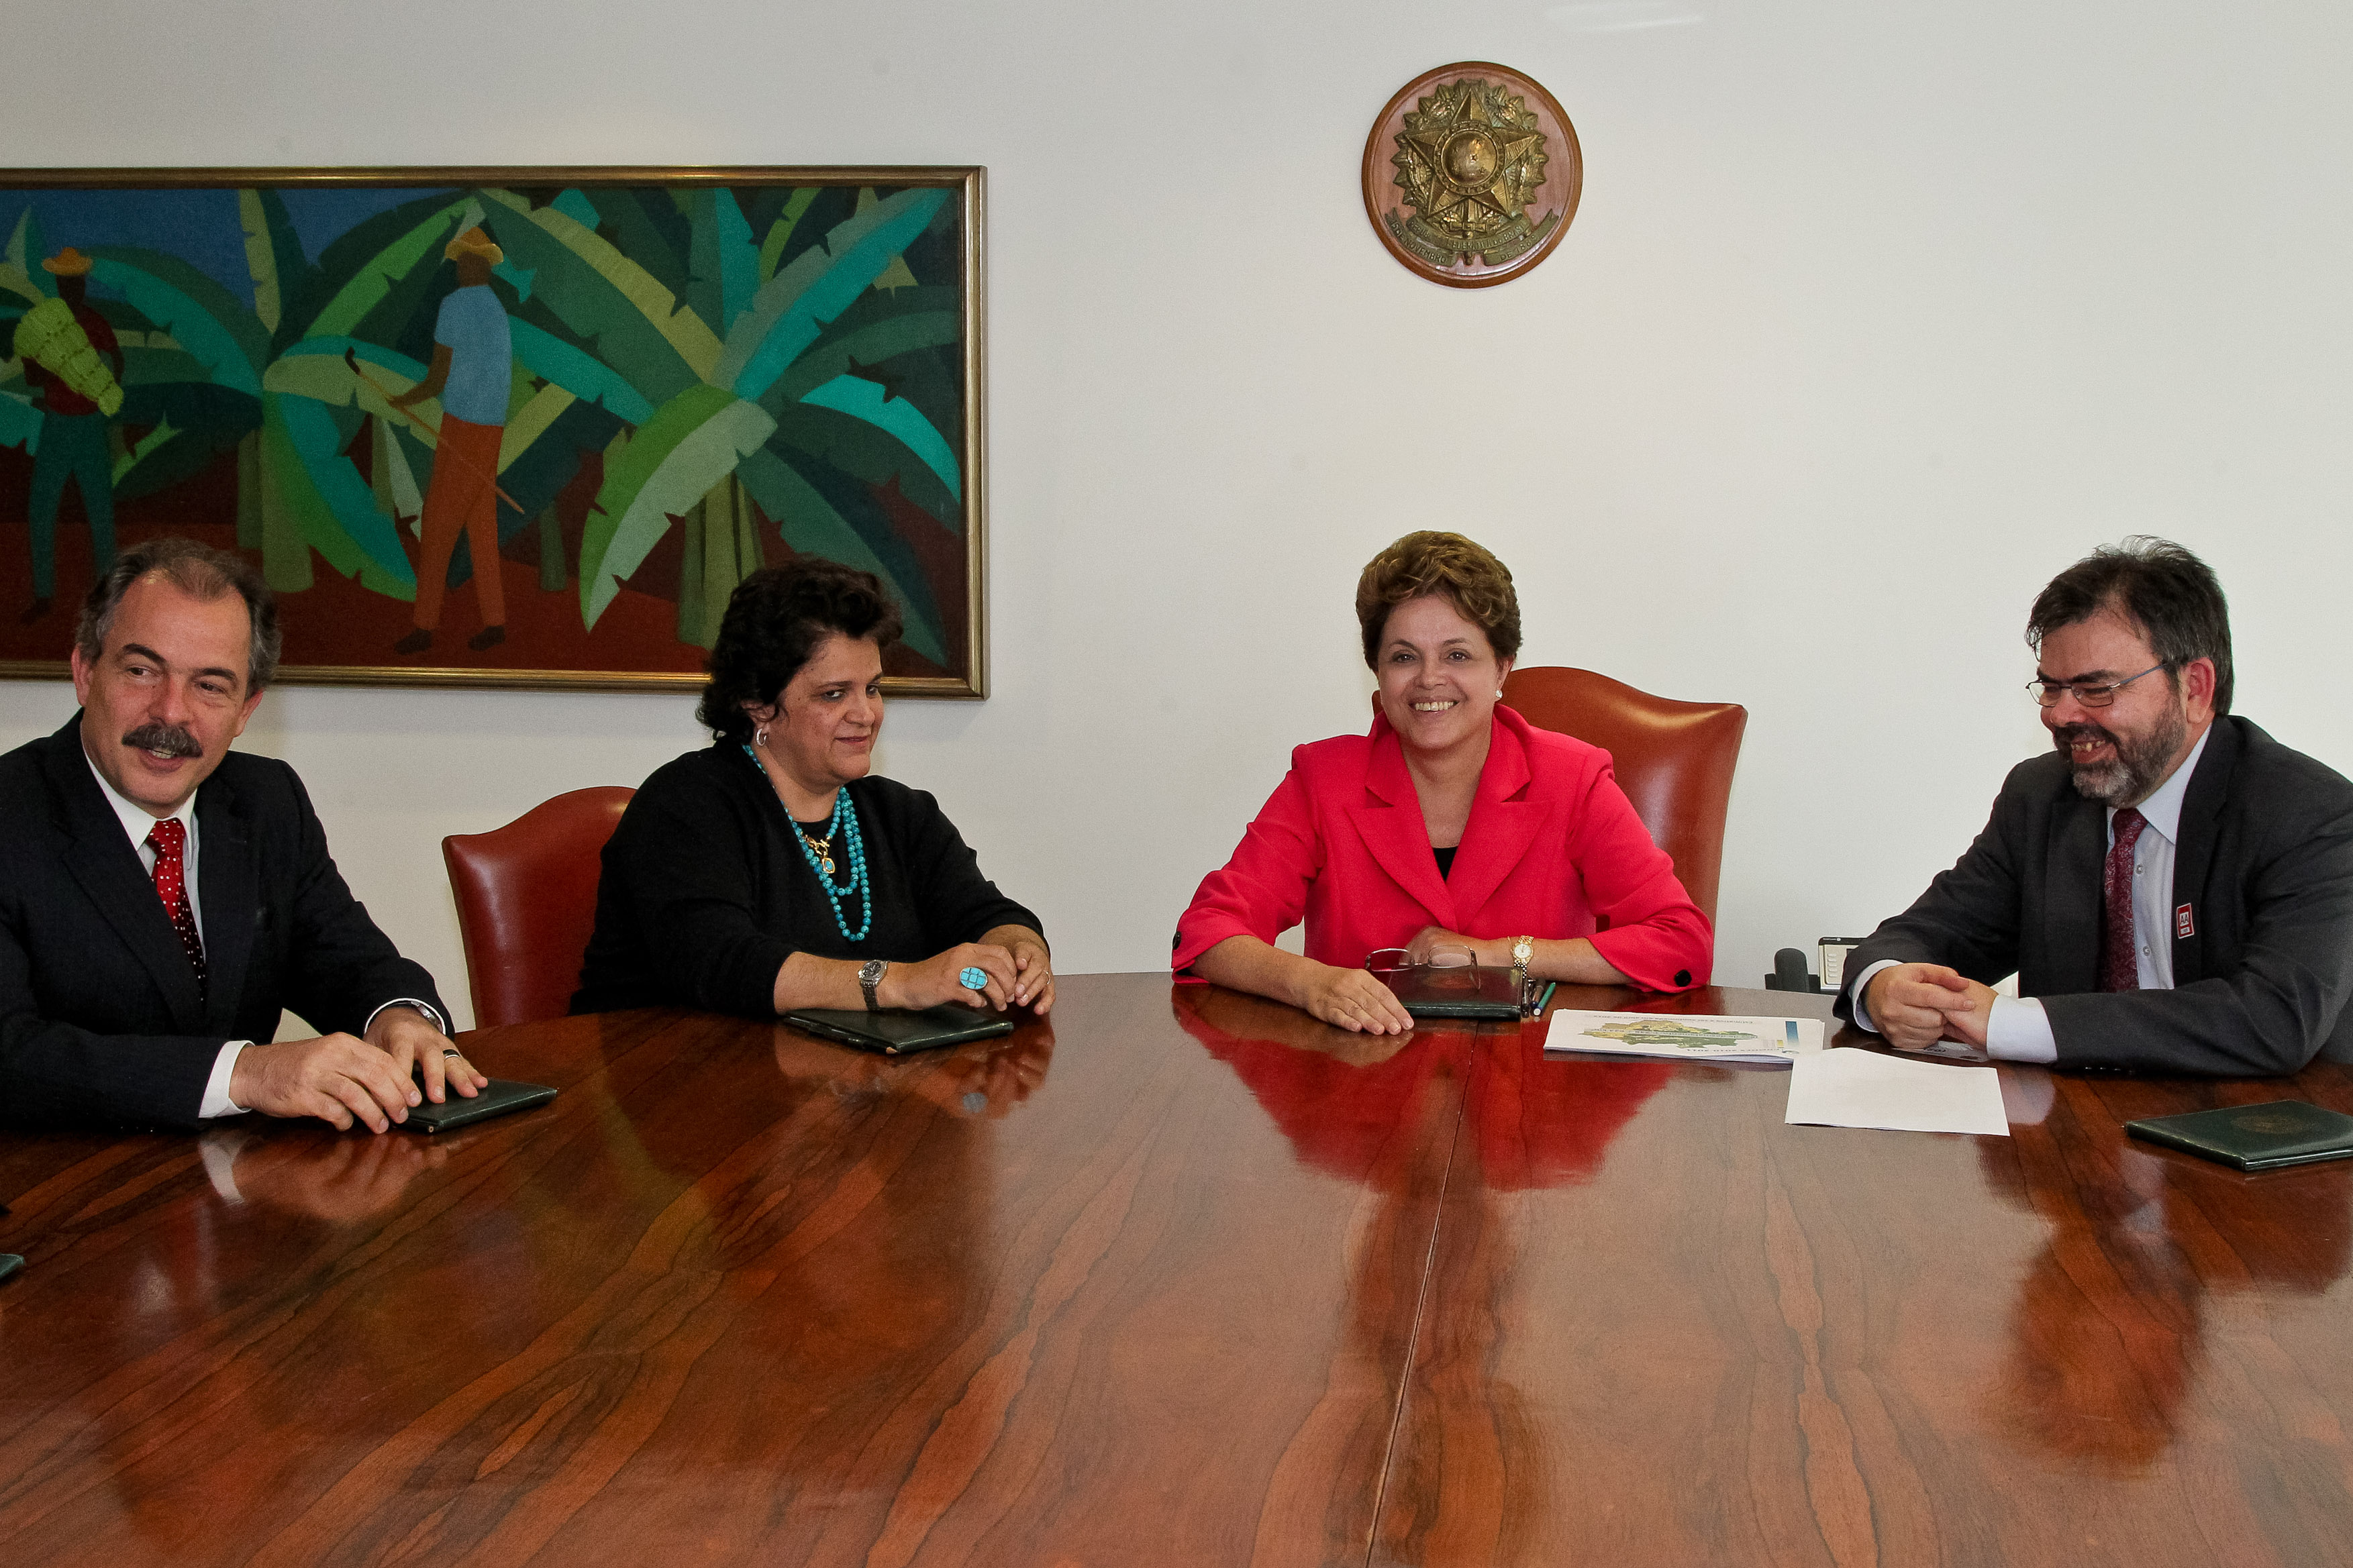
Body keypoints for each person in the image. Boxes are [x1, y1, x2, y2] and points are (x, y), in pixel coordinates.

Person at [0, 539, 483, 1131]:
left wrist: (399, 1016)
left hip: (237, 1190)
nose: (171, 712)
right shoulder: (13, 812)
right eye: (142, 670)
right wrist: (248, 1072)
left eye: (210, 685)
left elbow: (346, 958)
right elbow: (12, 1055)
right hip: (52, 1195)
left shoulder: (265, 801)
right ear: (84, 671)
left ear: (246, 709)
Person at [1837, 537, 2353, 1075]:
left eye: (2096, 689)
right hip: (2079, 1137)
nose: (2060, 715)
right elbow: (1931, 932)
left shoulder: (2310, 812)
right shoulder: (2040, 797)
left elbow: (2275, 1018)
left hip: (2260, 1135)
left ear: (2195, 689)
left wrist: (2014, 1024)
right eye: (2051, 687)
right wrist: (1884, 983)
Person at [1174, 530, 1712, 1033]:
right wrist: (1310, 982)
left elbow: (1680, 942)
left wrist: (1501, 952)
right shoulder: (1324, 780)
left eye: (1457, 654)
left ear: (1502, 668)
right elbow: (1207, 933)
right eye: (1404, 656)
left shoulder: (1571, 778)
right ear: (1378, 673)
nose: (1430, 679)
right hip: (1359, 1094)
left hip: (1538, 1096)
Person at [573, 558, 1054, 1019]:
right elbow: (722, 964)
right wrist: (902, 982)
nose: (865, 714)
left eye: (872, 688)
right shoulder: (684, 805)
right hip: (660, 1080)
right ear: (759, 703)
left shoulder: (901, 814)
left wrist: (1020, 953)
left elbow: (987, 914)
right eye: (834, 693)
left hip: (835, 1090)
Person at [391, 227, 511, 655]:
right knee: (481, 527)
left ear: (480, 265)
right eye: (460, 260)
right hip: (491, 430)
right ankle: (495, 621)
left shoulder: (455, 305)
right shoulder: (497, 310)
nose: (461, 267)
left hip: (462, 427)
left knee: (439, 526)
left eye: (466, 261)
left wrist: (404, 399)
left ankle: (424, 626)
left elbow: (438, 376)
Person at [14, 247, 122, 623]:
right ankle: (44, 594)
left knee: (99, 509)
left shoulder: (95, 323)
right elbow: (31, 377)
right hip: (57, 425)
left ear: (83, 285)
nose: (72, 288)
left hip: (91, 425)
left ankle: (107, 597)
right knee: (42, 509)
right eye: (65, 282)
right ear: (58, 285)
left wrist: (101, 383)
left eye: (76, 282)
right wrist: (54, 367)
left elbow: (117, 360)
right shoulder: (41, 327)